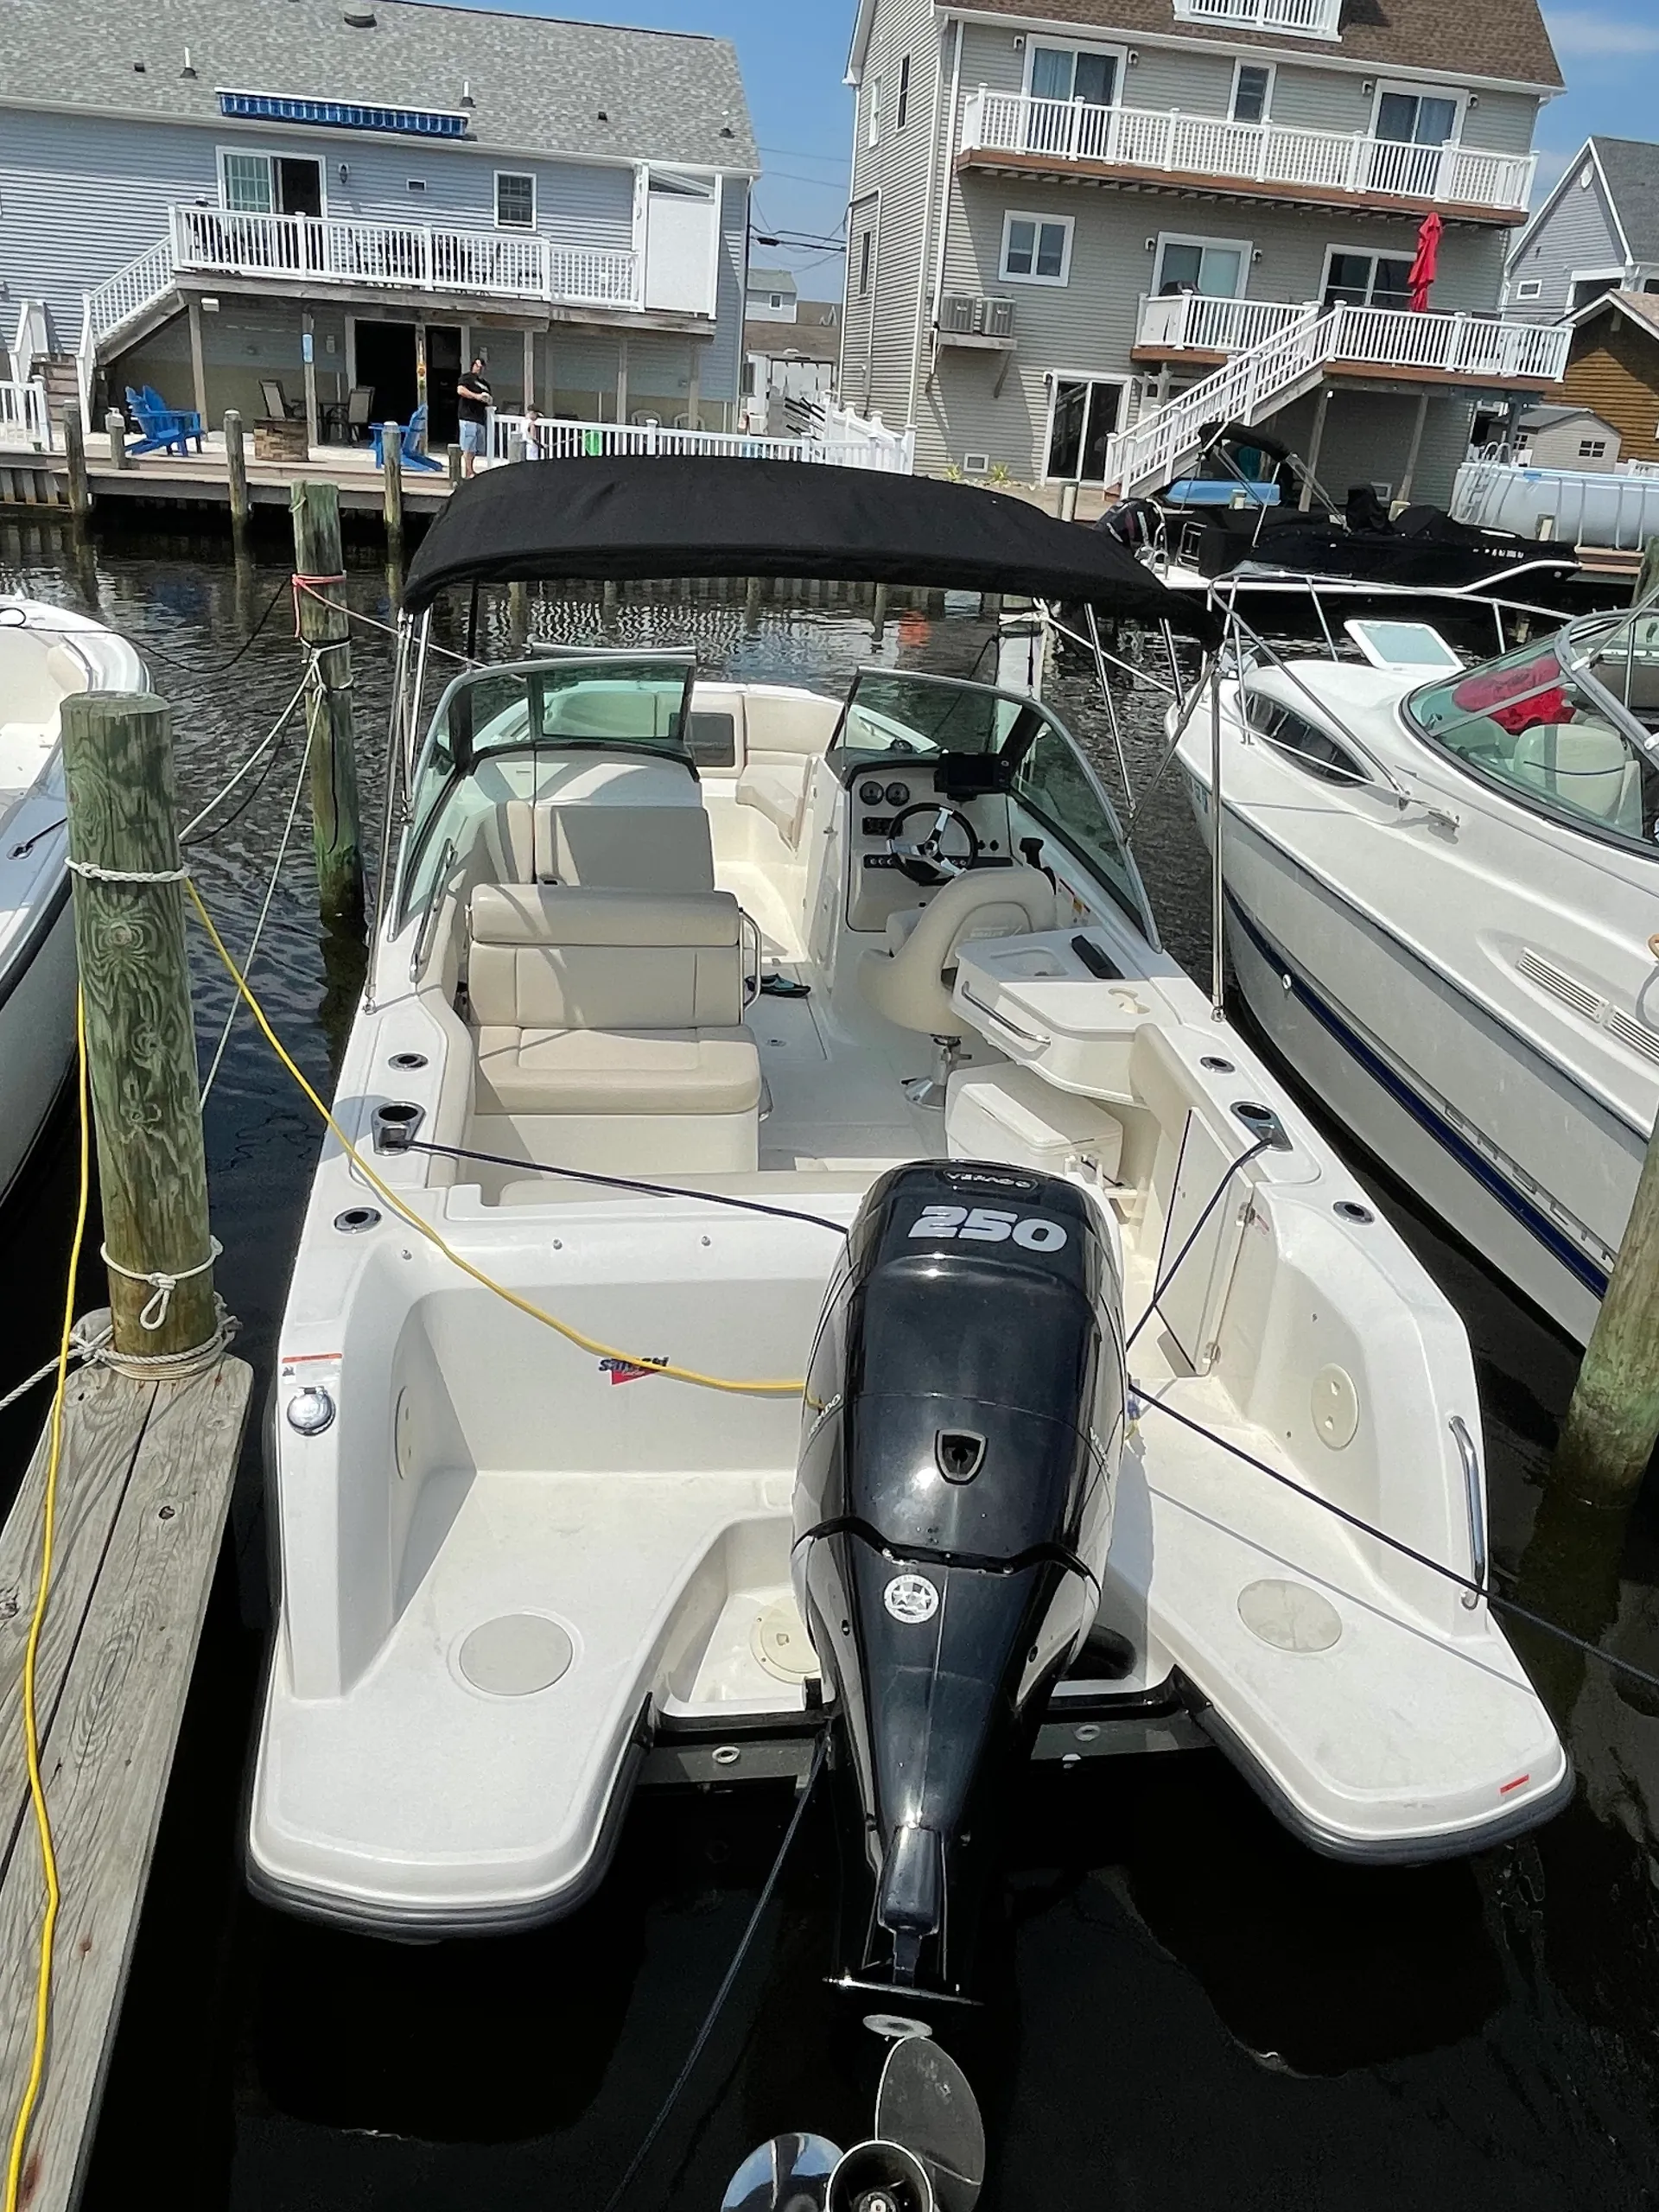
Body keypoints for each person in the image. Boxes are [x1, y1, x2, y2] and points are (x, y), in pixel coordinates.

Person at [456, 354, 492, 477]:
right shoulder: (467, 378)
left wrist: (487, 400)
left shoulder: (485, 384)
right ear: (473, 366)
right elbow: (460, 390)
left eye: (482, 367)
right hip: (468, 417)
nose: (480, 368)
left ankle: (470, 469)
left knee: (476, 448)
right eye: (477, 366)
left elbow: (488, 399)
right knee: (468, 446)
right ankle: (468, 472)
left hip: (480, 418)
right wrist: (476, 396)